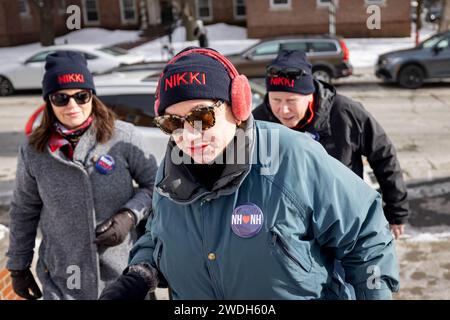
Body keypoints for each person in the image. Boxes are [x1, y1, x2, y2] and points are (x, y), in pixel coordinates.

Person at [99, 47, 399, 300]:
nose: (189, 135)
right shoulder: (172, 167)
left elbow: (365, 236)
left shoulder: (291, 155)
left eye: (201, 116)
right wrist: (141, 274)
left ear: (238, 106)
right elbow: (161, 234)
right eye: (172, 123)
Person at [6, 51, 158, 300]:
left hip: (123, 276)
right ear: (49, 101)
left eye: (81, 96)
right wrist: (18, 266)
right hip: (63, 280)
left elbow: (154, 186)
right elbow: (24, 210)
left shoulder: (124, 136)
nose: (72, 106)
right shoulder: (33, 151)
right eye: (61, 98)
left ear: (92, 95)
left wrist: (129, 216)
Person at [253, 50, 409, 240]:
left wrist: (396, 210)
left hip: (344, 220)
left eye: (291, 101)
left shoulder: (345, 112)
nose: (283, 109)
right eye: (276, 100)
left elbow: (384, 156)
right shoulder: (258, 122)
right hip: (286, 228)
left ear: (309, 94)